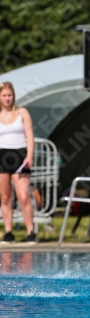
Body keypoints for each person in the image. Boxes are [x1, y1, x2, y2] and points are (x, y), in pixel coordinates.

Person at [0, 82, 36, 243]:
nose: (7, 99)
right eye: (4, 96)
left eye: (9, 95)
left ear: (13, 96)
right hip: (2, 155)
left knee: (23, 196)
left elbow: (29, 135)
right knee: (5, 197)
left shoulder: (22, 113)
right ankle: (9, 231)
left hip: (20, 155)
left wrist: (29, 155)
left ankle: (31, 232)